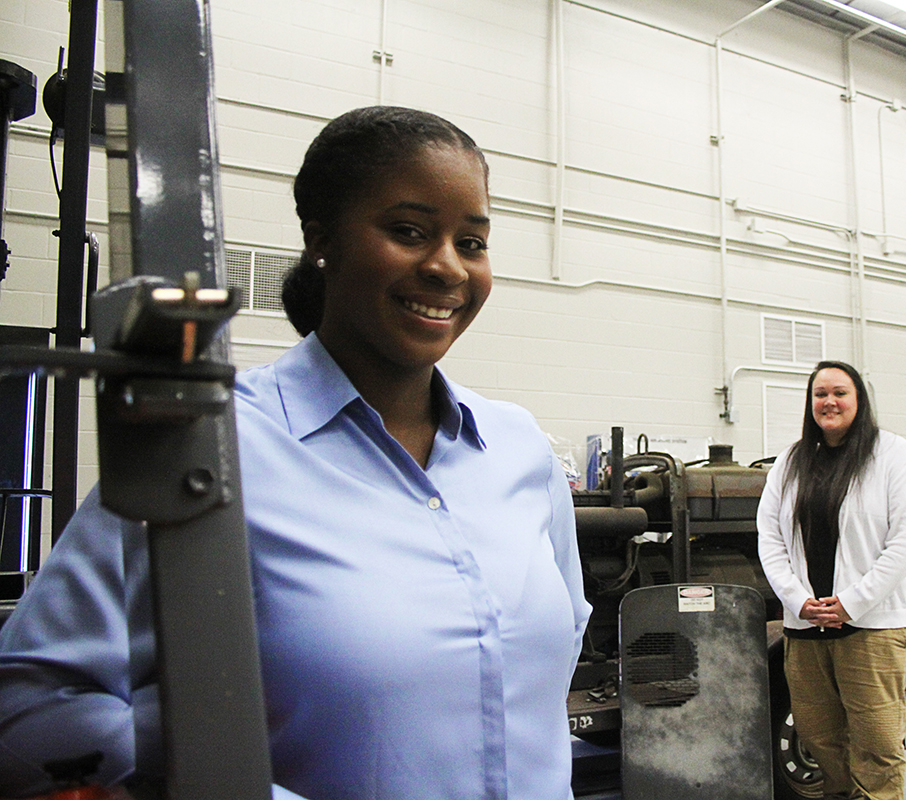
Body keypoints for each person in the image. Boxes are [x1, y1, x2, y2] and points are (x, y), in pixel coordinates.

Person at [0, 106, 591, 800]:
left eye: (472, 241)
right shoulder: (213, 449)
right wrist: (214, 760)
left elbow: (556, 649)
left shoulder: (517, 448)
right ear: (322, 240)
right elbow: (29, 706)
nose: (446, 266)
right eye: (408, 232)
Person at [757, 361, 906, 800]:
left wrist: (853, 601)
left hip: (872, 628)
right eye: (819, 394)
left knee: (877, 742)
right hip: (807, 628)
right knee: (818, 737)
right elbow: (770, 539)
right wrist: (798, 601)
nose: (828, 402)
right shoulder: (791, 462)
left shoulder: (893, 454)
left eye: (839, 392)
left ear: (859, 400)